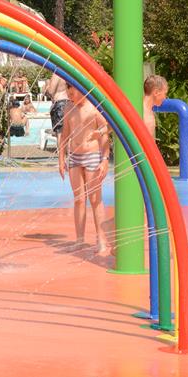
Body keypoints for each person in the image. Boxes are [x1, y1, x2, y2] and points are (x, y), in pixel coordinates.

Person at [58, 85, 112, 256]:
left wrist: (105, 159)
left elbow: (107, 130)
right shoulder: (69, 107)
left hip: (92, 155)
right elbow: (65, 134)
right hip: (74, 157)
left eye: (72, 92)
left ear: (80, 89)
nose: (70, 95)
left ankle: (101, 240)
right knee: (79, 199)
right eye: (68, 93)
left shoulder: (94, 107)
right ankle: (80, 240)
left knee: (95, 200)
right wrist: (61, 158)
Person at [45, 73, 69, 140]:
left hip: (60, 104)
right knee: (68, 133)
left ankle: (60, 147)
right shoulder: (69, 73)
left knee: (60, 134)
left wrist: (47, 86)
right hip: (69, 103)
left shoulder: (57, 74)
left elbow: (51, 91)